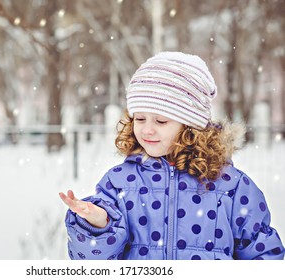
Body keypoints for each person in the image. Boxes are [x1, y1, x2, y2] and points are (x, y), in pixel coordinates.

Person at [59, 51, 285, 260]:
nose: (147, 130)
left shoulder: (231, 185)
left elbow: (262, 255)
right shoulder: (119, 182)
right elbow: (94, 261)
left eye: (161, 121)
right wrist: (99, 224)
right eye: (139, 119)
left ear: (190, 126)